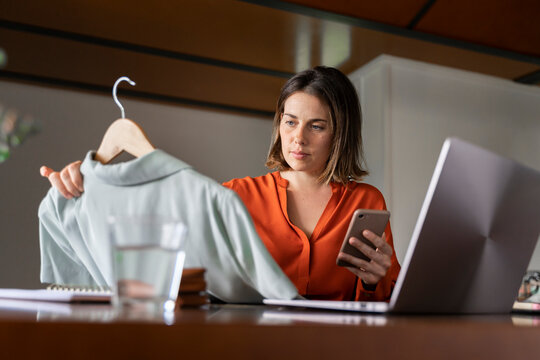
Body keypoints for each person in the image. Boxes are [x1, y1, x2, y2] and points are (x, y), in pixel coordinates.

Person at [41, 66, 400, 301]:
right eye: (290, 122)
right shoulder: (234, 195)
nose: (298, 138)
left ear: (340, 134)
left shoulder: (366, 201)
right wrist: (90, 184)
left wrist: (376, 279)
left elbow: (388, 299)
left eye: (316, 126)